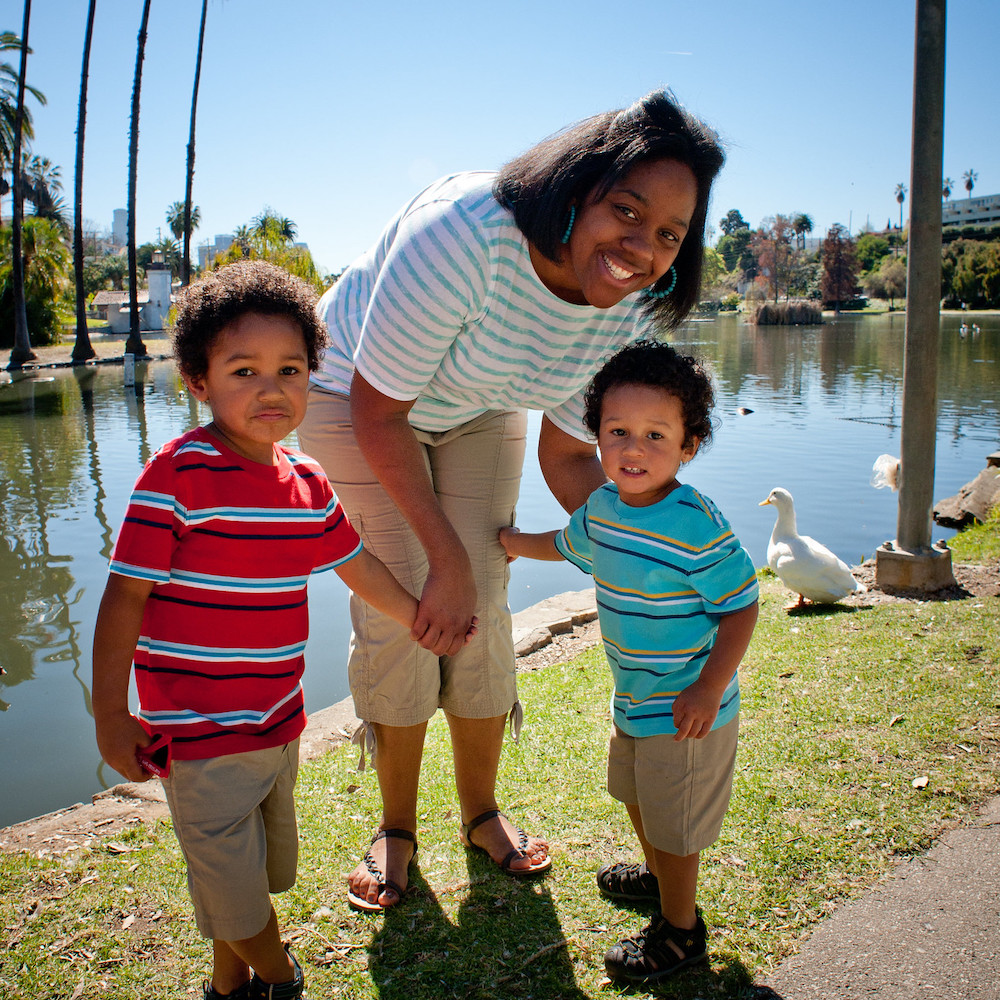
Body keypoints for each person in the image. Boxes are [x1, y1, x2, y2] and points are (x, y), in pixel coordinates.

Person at [297, 90, 726, 911]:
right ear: (574, 190)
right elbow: (377, 411)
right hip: (354, 395)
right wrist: (445, 560)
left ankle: (480, 812)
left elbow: (567, 451)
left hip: (474, 398)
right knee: (410, 603)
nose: (642, 249)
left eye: (669, 233)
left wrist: (652, 549)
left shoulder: (627, 298)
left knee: (484, 605)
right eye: (626, 211)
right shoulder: (463, 236)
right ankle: (396, 827)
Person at [92, 261, 444, 1000]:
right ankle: (280, 976)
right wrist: (109, 713)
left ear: (313, 377)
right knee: (233, 887)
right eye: (243, 370)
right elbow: (124, 599)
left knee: (257, 872)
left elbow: (356, 563)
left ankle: (230, 984)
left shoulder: (307, 481)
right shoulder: (177, 476)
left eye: (290, 369)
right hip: (198, 733)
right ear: (198, 380)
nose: (270, 388)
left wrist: (417, 613)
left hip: (276, 725)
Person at [498, 339, 759, 986]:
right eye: (618, 432)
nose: (634, 449)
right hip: (636, 701)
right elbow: (566, 544)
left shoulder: (696, 523)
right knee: (639, 798)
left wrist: (710, 686)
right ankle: (657, 875)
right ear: (596, 437)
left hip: (687, 710)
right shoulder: (605, 508)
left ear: (688, 445)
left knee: (674, 821)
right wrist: (508, 543)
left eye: (654, 434)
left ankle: (680, 931)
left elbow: (742, 607)